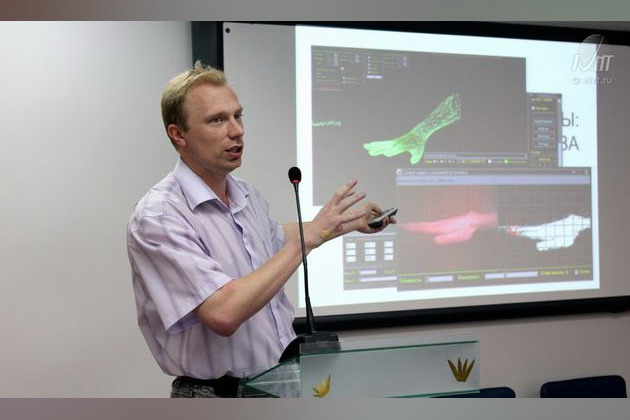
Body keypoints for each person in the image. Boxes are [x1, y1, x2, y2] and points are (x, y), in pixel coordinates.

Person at [126, 62, 394, 398]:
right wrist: (312, 239)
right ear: (178, 134)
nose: (236, 130)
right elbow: (223, 312)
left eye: (238, 116)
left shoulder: (245, 194)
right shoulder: (159, 216)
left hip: (278, 388)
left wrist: (348, 222)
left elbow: (276, 237)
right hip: (217, 396)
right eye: (217, 120)